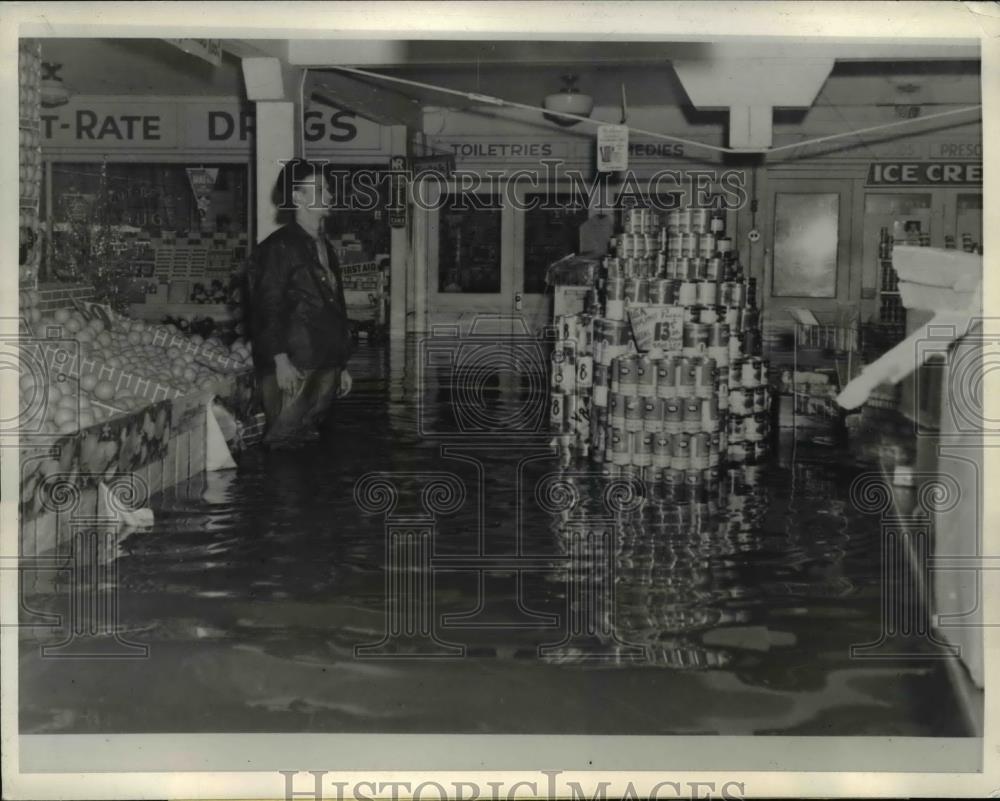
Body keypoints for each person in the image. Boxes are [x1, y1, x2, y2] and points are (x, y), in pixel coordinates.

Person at [249, 159, 354, 448]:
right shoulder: (278, 247)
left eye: (328, 188)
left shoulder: (325, 248)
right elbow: (266, 306)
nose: (330, 195)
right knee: (284, 442)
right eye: (320, 188)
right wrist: (280, 360)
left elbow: (336, 306)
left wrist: (340, 364)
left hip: (324, 361)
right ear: (297, 197)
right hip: (295, 364)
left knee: (309, 442)